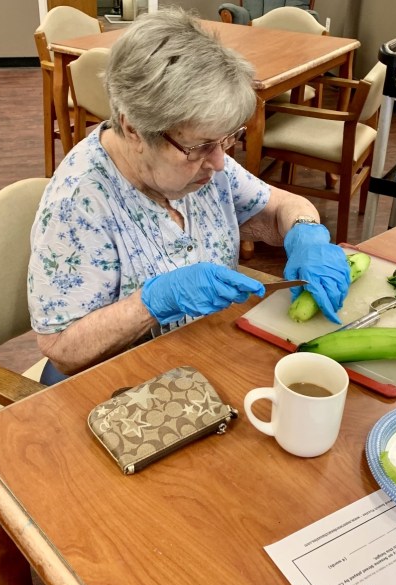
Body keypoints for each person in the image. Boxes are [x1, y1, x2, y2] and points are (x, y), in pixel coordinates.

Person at [28, 8, 350, 385]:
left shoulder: (202, 166)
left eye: (227, 140)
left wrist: (306, 232)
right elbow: (63, 351)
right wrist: (153, 302)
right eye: (200, 146)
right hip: (122, 387)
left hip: (204, 356)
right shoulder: (79, 203)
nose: (219, 161)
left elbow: (278, 207)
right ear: (133, 129)